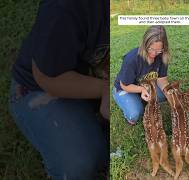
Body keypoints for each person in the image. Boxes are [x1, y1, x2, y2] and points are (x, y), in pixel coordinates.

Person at [8, 0, 108, 179]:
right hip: (44, 86)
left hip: (101, 77)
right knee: (79, 163)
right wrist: (105, 90)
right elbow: (47, 78)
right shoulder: (63, 7)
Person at [113, 25, 170, 125]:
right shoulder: (132, 59)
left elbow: (162, 80)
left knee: (165, 95)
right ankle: (128, 104)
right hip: (125, 88)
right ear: (144, 44)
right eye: (151, 49)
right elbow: (124, 85)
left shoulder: (162, 56)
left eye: (158, 50)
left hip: (145, 85)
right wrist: (141, 90)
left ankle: (140, 99)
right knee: (135, 114)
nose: (154, 54)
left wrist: (169, 93)